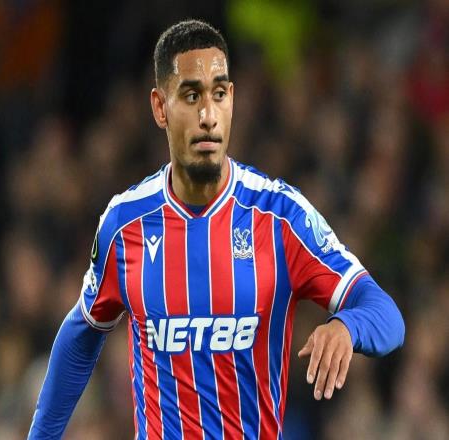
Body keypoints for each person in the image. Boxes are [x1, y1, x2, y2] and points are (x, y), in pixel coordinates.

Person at [28, 19, 405, 439]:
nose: (208, 115)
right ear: (160, 107)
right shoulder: (125, 223)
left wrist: (348, 327)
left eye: (219, 94)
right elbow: (81, 335)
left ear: (232, 101)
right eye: (191, 96)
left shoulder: (280, 217)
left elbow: (386, 314)